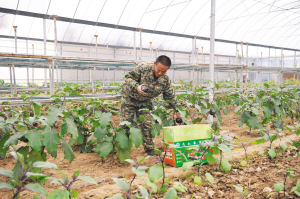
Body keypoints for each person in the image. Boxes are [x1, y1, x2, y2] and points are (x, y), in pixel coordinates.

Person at [120, 55, 181, 155]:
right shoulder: (143, 68)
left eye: (164, 71)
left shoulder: (164, 80)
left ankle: (150, 150)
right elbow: (128, 78)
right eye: (158, 70)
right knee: (125, 124)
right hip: (129, 98)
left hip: (144, 102)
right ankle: (121, 149)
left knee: (146, 125)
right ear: (154, 64)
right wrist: (137, 86)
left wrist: (177, 111)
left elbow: (170, 97)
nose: (160, 73)